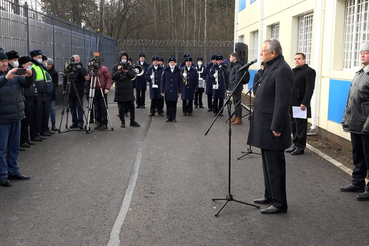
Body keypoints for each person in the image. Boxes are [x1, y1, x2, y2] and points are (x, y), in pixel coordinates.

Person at [247, 39, 293, 214]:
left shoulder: (283, 70)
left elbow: (283, 101)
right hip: (264, 124)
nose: (261, 54)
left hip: (273, 126)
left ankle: (280, 203)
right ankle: (269, 194)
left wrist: (277, 126)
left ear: (273, 53)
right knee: (267, 163)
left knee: (275, 166)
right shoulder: (271, 66)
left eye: (263, 51)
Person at [0, 51, 33, 187]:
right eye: (2, 61)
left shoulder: (13, 73)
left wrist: (30, 76)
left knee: (14, 147)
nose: (5, 63)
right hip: (2, 119)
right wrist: (5, 78)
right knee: (1, 149)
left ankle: (13, 170)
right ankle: (2, 174)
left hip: (17, 115)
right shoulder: (7, 76)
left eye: (5, 61)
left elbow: (25, 84)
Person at [341, 41, 369, 201]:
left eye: (366, 52)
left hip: (366, 125)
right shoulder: (359, 73)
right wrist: (347, 117)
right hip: (356, 122)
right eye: (361, 52)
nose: (363, 55)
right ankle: (357, 182)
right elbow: (351, 99)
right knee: (358, 154)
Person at [285, 53, 316, 155]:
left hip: (300, 104)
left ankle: (301, 147)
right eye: (295, 59)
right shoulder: (293, 71)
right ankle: (295, 144)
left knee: (301, 126)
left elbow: (309, 89)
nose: (297, 60)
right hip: (291, 102)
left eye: (299, 59)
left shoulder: (309, 72)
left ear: (304, 60)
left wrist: (305, 102)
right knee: (293, 125)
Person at [112, 52, 140, 128]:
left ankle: (132, 121)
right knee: (120, 107)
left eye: (125, 58)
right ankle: (122, 121)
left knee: (131, 106)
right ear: (120, 58)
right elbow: (113, 77)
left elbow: (132, 76)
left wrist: (127, 72)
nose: (124, 60)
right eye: (123, 58)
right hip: (119, 89)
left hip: (128, 89)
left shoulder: (130, 67)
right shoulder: (115, 67)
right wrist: (119, 71)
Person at [63, 54, 88, 129]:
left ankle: (80, 122)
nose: (75, 62)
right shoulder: (69, 68)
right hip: (70, 91)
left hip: (79, 91)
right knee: (72, 108)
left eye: (77, 60)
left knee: (80, 107)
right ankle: (74, 121)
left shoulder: (82, 69)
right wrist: (64, 89)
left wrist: (79, 69)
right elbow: (65, 78)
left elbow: (83, 77)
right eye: (74, 60)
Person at [87, 58, 112, 130]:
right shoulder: (92, 71)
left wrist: (107, 88)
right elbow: (91, 80)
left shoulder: (104, 69)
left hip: (103, 90)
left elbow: (109, 78)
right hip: (95, 90)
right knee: (96, 107)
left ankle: (104, 123)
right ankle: (99, 122)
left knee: (103, 107)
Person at [19, 56, 37, 148]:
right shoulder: (20, 73)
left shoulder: (31, 72)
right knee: (24, 121)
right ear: (23, 65)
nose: (31, 65)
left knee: (28, 120)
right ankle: (23, 140)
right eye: (29, 64)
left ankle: (26, 138)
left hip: (31, 97)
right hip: (24, 98)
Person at [30, 49, 47, 142]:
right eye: (39, 57)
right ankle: (34, 134)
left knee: (39, 114)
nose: (40, 59)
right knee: (35, 115)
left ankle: (38, 132)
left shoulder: (39, 66)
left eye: (41, 57)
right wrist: (35, 93)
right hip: (36, 95)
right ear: (34, 58)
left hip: (41, 93)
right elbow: (33, 82)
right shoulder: (33, 67)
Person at [228, 52, 250, 125]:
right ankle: (236, 116)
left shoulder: (237, 66)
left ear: (234, 57)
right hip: (234, 87)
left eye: (230, 57)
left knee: (237, 102)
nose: (229, 58)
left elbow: (237, 78)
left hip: (237, 87)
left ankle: (239, 118)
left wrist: (234, 87)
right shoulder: (234, 65)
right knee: (235, 102)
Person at [161, 56, 182, 122]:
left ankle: (173, 117)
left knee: (174, 104)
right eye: (171, 62)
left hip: (175, 90)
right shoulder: (166, 70)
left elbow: (180, 81)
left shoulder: (178, 71)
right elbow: (162, 81)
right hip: (167, 90)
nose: (172, 63)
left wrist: (180, 91)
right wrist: (162, 90)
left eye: (173, 62)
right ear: (169, 63)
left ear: (175, 63)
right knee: (168, 104)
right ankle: (168, 117)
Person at [40, 55, 55, 136]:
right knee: (44, 113)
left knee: (46, 113)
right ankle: (43, 129)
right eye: (45, 61)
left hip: (48, 94)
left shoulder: (45, 70)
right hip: (45, 94)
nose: (46, 63)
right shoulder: (41, 70)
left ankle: (46, 128)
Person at [46, 58, 59, 131]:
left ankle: (53, 124)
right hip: (46, 93)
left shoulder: (54, 73)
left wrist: (50, 86)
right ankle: (46, 125)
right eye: (48, 64)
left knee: (52, 110)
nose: (49, 66)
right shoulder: (44, 71)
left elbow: (56, 83)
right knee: (47, 110)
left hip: (51, 93)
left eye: (50, 64)